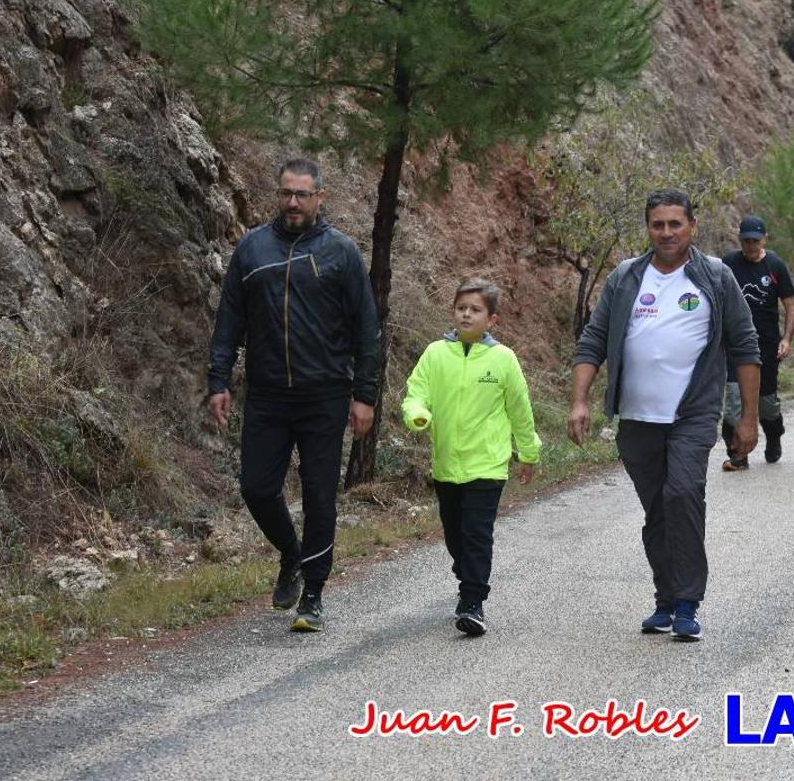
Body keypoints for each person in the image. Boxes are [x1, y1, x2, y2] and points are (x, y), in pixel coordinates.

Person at [568, 189, 760, 642]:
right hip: (636, 417)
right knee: (657, 509)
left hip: (693, 412)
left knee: (683, 494)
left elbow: (745, 345)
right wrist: (579, 400)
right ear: (648, 228)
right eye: (659, 224)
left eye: (676, 223)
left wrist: (747, 418)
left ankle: (689, 603)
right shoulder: (626, 278)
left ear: (692, 225)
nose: (667, 232)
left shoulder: (714, 277)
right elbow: (593, 341)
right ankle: (666, 599)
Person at [207, 157, 380, 633]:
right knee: (256, 487)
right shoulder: (252, 249)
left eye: (303, 194)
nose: (293, 202)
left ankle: (315, 596)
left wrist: (364, 396)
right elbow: (229, 321)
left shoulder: (341, 253)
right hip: (266, 395)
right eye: (286, 192)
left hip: (324, 395)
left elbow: (368, 329)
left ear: (320, 198)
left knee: (320, 495)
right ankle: (291, 553)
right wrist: (218, 380)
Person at [402, 278, 541, 637]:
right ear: (453, 312)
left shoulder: (503, 359)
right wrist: (417, 414)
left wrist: (528, 451)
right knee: (455, 536)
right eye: (461, 307)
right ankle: (468, 575)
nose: (466, 314)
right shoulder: (435, 354)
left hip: (488, 466)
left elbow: (520, 409)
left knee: (477, 534)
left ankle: (472, 602)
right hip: (447, 464)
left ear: (491, 320)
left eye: (475, 309)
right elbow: (415, 393)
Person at [720, 216, 794, 470]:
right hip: (735, 344)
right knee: (733, 401)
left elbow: (790, 303)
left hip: (765, 344)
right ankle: (738, 455)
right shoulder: (729, 263)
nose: (750, 246)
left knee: (766, 403)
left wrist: (786, 338)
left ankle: (773, 435)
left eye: (755, 240)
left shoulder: (775, 265)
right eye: (746, 240)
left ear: (765, 238)